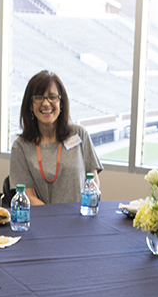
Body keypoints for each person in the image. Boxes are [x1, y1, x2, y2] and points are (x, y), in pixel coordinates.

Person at [9, 70, 102, 205]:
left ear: (61, 103)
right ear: (30, 105)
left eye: (52, 97)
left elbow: (93, 180)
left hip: (81, 219)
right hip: (44, 222)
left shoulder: (79, 134)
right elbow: (27, 196)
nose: (46, 103)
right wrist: (55, 220)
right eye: (39, 97)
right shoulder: (20, 146)